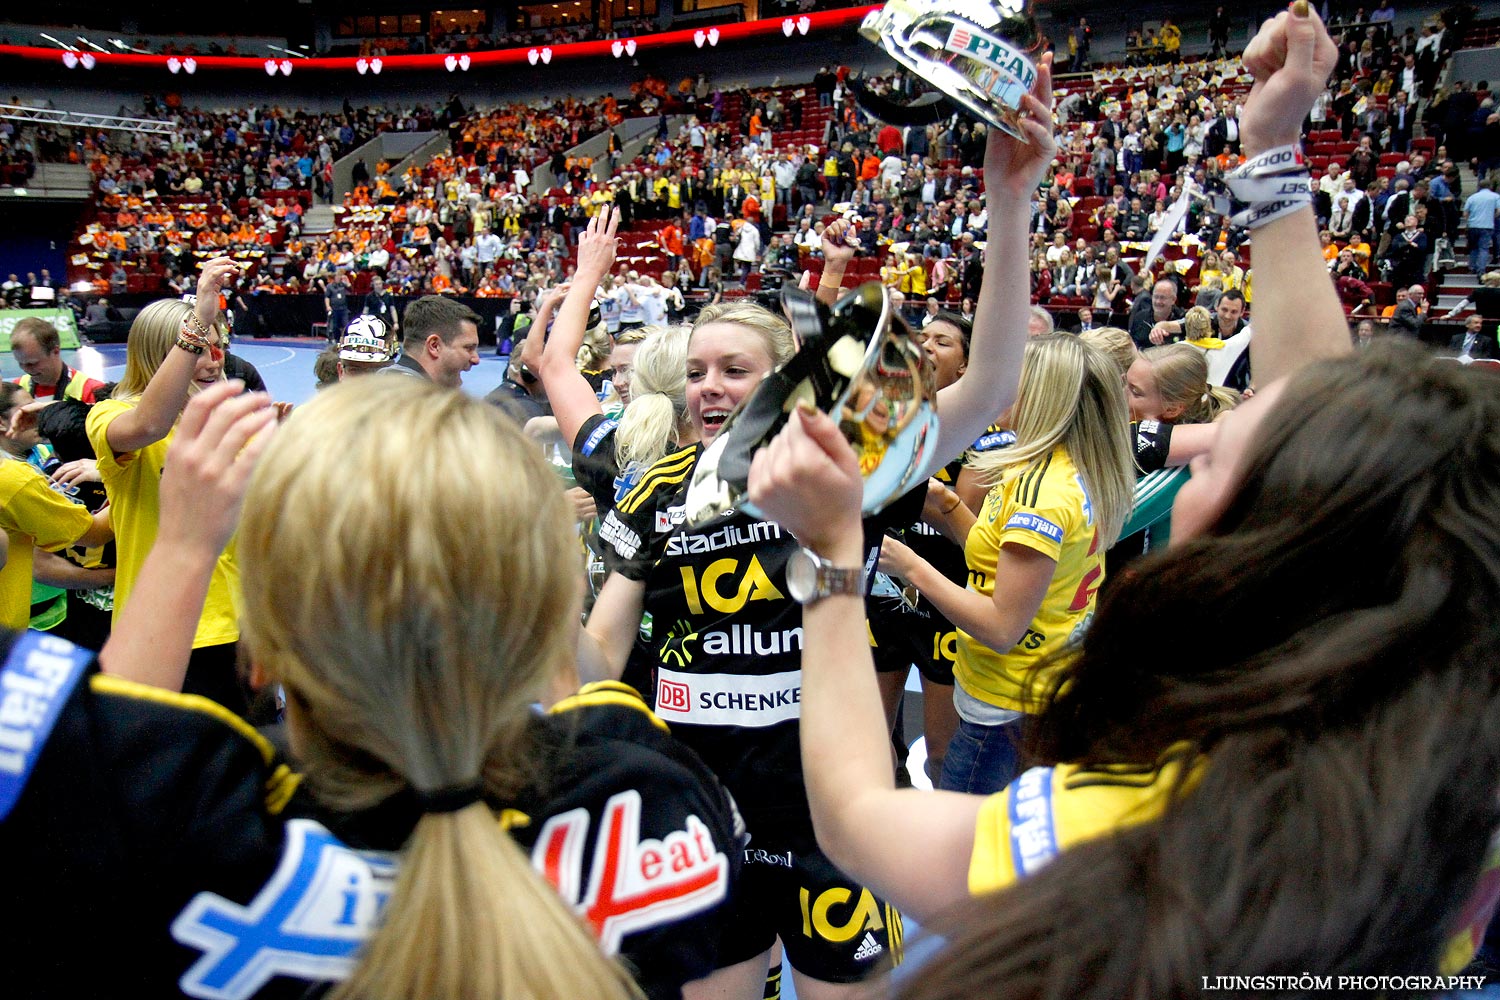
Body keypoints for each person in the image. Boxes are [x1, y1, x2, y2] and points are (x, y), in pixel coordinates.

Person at [752, 10, 1500, 995]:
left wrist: (835, 560)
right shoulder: (1443, 739)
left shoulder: (1159, 832)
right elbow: (1319, 412)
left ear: (1259, 533)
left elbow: (857, 813)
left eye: (1220, 453)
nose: (1203, 453)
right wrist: (1271, 155)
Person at [3, 378, 743, 1000]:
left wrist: (185, 542)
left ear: (259, 655)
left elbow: (115, 756)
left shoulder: (202, 841)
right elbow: (582, 689)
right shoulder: (645, 798)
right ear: (545, 614)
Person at [586, 54, 1060, 999]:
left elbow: (995, 386)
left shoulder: (852, 467)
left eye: (736, 370)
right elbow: (596, 658)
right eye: (699, 370)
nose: (711, 387)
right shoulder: (650, 489)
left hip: (831, 807)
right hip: (699, 809)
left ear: (783, 384)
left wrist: (1010, 209)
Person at [875, 334, 1134, 795]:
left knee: (968, 843)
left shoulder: (1043, 496)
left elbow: (1000, 626)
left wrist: (911, 567)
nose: (996, 392)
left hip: (1008, 702)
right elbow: (995, 557)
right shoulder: (1048, 466)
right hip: (1033, 686)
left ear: (1040, 397)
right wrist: (947, 503)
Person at [83, 258, 246, 711]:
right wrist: (199, 320)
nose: (215, 361)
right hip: (162, 632)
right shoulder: (111, 416)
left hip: (238, 625)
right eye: (201, 349)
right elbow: (149, 423)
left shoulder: (225, 420)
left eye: (218, 348)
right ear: (163, 353)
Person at [0, 383, 112, 632]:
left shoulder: (39, 456)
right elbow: (92, 534)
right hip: (20, 621)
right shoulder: (14, 480)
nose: (34, 417)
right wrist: (124, 478)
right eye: (26, 409)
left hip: (53, 603)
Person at [382, 295, 481, 387]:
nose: (476, 360)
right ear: (434, 346)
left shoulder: (381, 382)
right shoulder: (416, 399)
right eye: (468, 348)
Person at [10, 317, 105, 403]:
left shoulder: (91, 391)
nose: (26, 369)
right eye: (20, 363)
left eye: (33, 363)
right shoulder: (15, 389)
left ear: (55, 351)